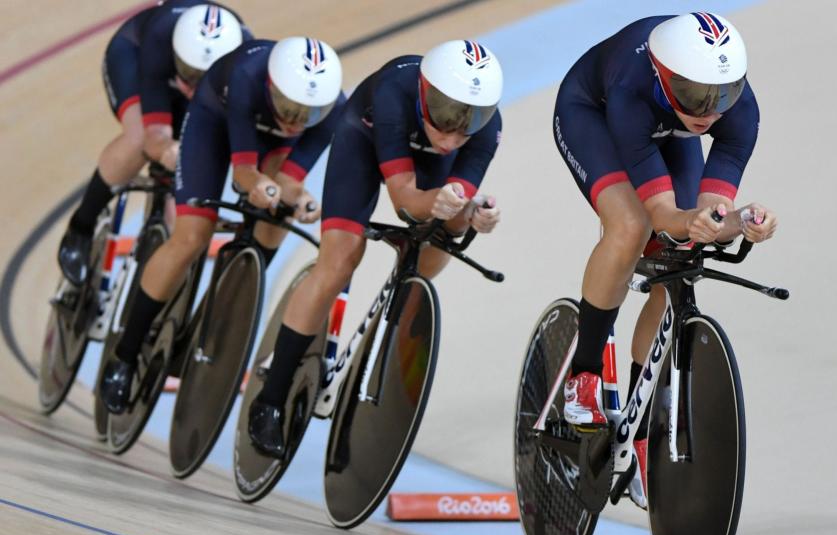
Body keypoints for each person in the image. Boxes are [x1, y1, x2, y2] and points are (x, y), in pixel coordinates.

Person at [552, 13, 778, 506]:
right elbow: (664, 214)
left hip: (665, 132)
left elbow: (705, 215)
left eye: (723, 94)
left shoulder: (736, 110)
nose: (710, 110)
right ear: (662, 73)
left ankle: (637, 420)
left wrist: (739, 220)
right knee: (632, 227)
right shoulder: (634, 87)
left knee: (681, 252)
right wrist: (693, 222)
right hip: (594, 113)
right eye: (697, 95)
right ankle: (584, 375)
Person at [246, 40, 505, 458]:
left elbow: (453, 205)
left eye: (470, 122)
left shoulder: (486, 130)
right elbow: (405, 199)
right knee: (341, 259)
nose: (455, 135)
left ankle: (378, 348)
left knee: (434, 246)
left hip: (424, 169)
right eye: (446, 117)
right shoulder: (392, 94)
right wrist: (442, 203)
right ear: (424, 93)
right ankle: (270, 399)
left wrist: (474, 214)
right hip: (364, 145)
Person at [97, 37, 346, 414]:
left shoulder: (332, 109)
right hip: (214, 123)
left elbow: (291, 182)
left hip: (272, 142)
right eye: (290, 107)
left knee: (278, 210)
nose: (296, 120)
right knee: (192, 237)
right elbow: (244, 173)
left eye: (308, 113)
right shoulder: (247, 77)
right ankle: (125, 355)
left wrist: (301, 200)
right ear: (272, 85)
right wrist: (259, 185)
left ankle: (239, 281)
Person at [57, 2, 248, 286]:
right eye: (190, 73)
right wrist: (167, 151)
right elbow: (155, 137)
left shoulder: (245, 62)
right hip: (135, 59)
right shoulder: (159, 40)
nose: (194, 85)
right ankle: (81, 226)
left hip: (199, 82)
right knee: (139, 141)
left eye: (203, 78)